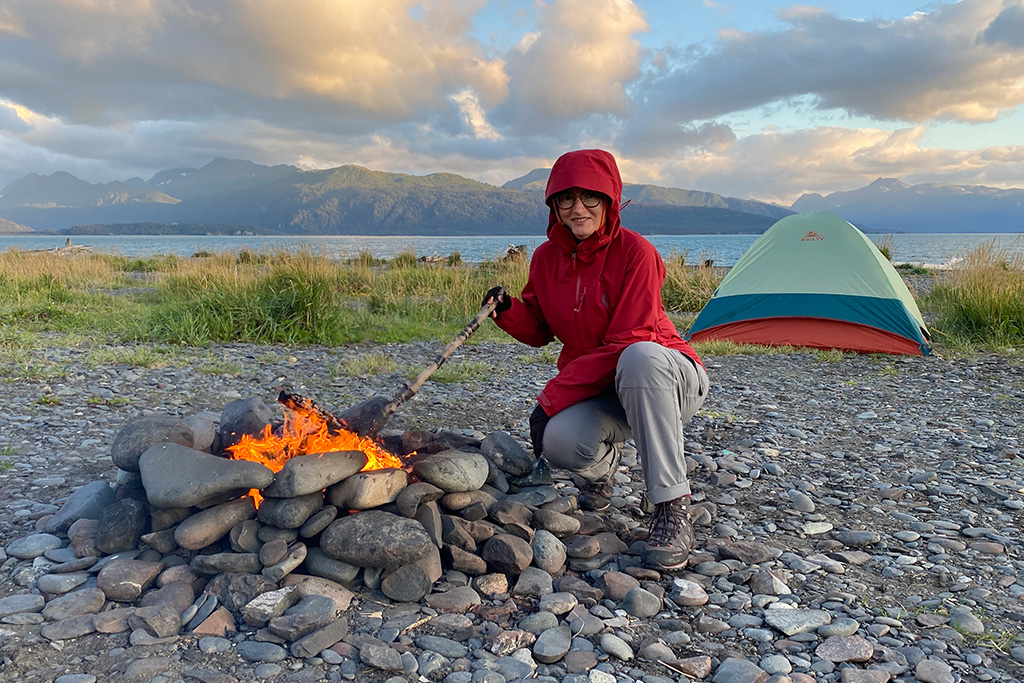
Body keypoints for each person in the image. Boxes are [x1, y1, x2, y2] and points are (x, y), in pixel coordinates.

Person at [482, 149, 709, 571]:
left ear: (610, 199)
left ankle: (672, 505)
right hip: (604, 387)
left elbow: (630, 341)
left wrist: (552, 396)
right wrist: (509, 310)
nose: (578, 208)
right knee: (559, 441)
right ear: (554, 205)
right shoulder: (546, 259)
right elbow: (539, 328)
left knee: (640, 358)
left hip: (666, 378)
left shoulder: (636, 253)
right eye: (566, 198)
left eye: (590, 196)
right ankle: (603, 469)